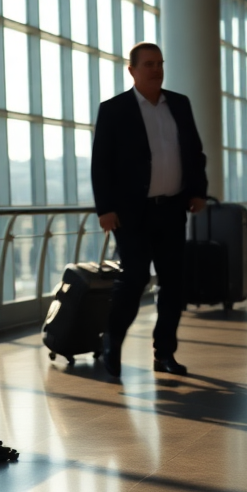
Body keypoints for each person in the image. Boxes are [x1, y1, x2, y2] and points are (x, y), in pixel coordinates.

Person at [91, 42, 207, 379]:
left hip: (171, 208)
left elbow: (195, 153)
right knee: (135, 278)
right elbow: (102, 164)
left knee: (173, 283)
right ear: (132, 70)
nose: (156, 69)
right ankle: (112, 343)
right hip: (131, 213)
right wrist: (105, 208)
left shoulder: (180, 105)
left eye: (159, 63)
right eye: (148, 64)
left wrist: (198, 191)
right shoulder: (114, 109)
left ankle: (164, 353)